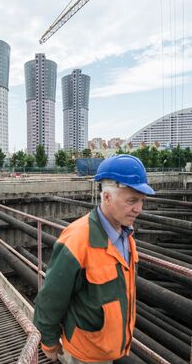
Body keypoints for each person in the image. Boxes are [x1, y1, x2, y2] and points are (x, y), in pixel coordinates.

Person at [33, 155, 155, 363]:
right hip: (87, 353)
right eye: (132, 201)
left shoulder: (127, 236)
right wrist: (49, 342)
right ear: (106, 197)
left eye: (142, 201)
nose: (139, 209)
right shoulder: (78, 239)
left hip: (113, 347)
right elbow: (51, 298)